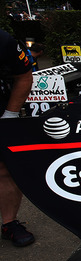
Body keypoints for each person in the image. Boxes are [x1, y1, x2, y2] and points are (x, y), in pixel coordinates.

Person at [0, 28, 35, 246]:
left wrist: (10, 114)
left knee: (4, 170)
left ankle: (9, 223)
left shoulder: (3, 40)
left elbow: (24, 76)